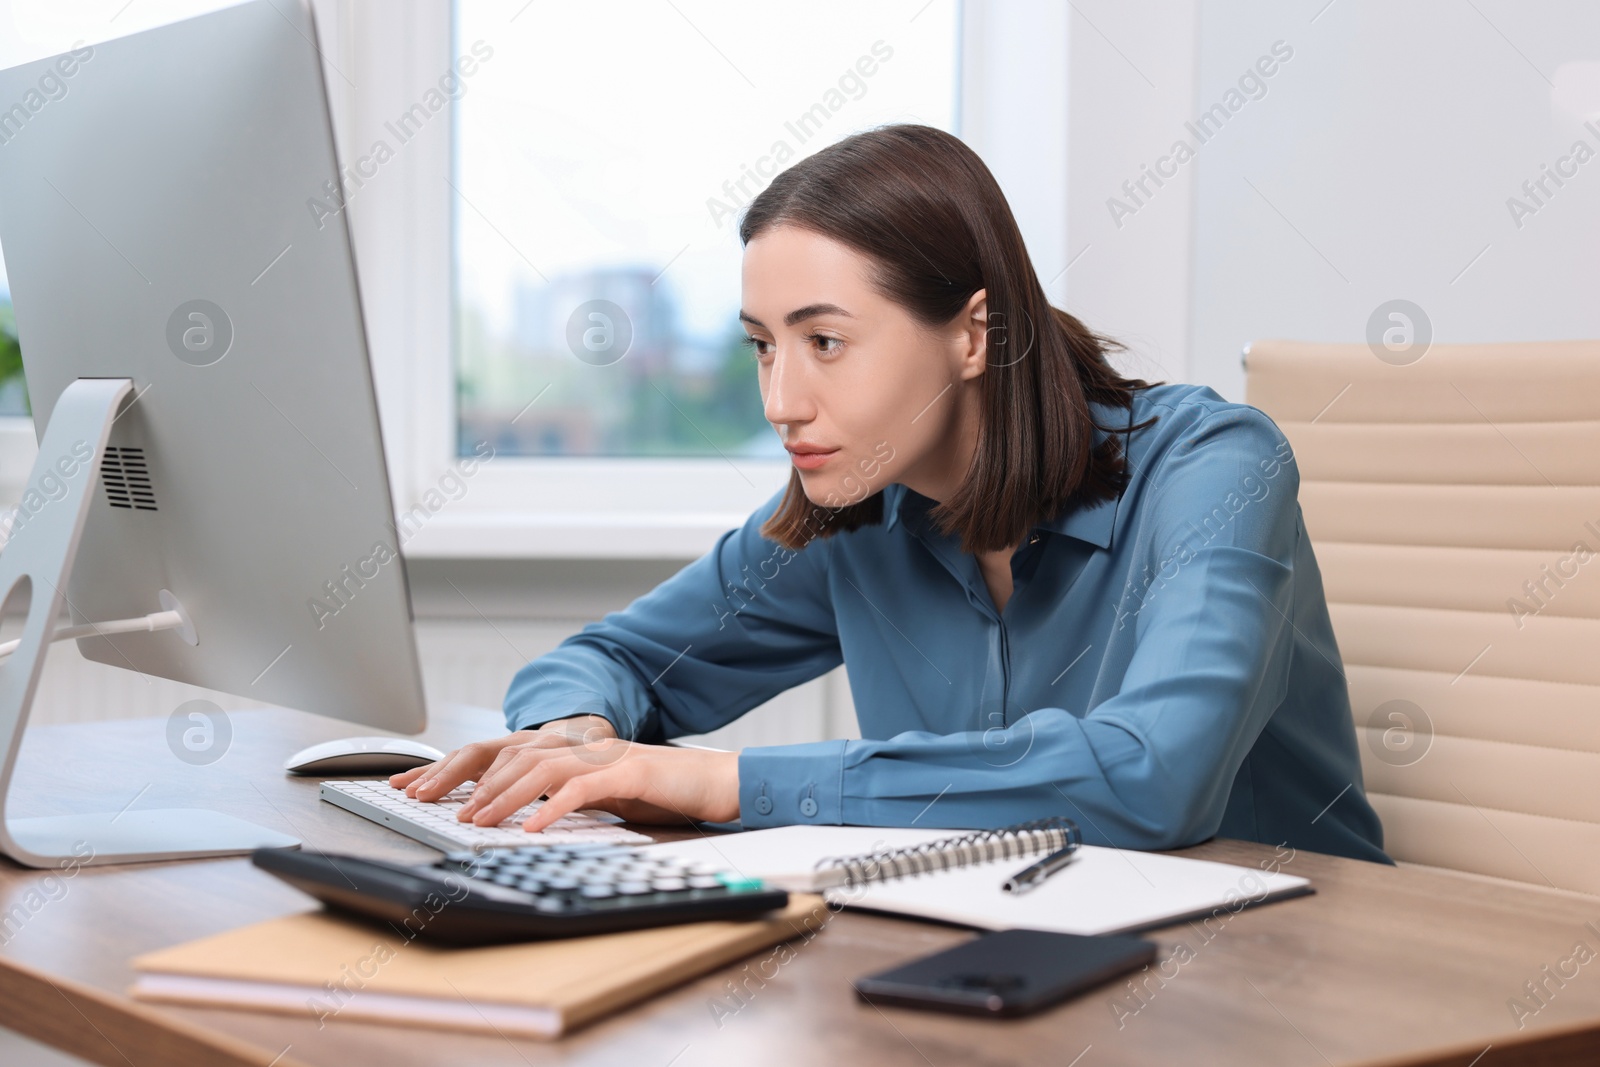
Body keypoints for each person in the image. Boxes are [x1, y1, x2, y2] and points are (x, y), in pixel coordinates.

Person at [392, 123, 1389, 864]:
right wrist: (573, 735)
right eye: (761, 346)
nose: (782, 401)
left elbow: (1152, 774)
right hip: (1016, 952)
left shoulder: (1214, 465)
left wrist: (720, 781)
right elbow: (611, 658)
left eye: (824, 341)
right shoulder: (853, 505)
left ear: (971, 333)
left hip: (1297, 975)